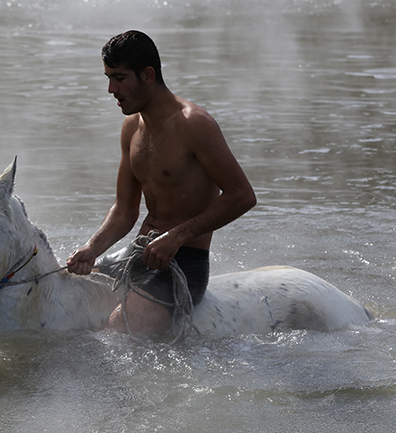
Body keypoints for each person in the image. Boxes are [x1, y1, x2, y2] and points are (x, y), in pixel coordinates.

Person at [66, 30, 256, 338]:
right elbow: (125, 210)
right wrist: (91, 249)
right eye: (108, 78)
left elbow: (243, 196)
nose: (111, 89)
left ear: (148, 75)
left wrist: (176, 237)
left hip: (183, 262)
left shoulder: (194, 124)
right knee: (67, 297)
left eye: (119, 78)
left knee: (113, 338)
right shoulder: (131, 128)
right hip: (139, 252)